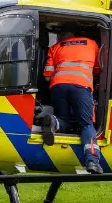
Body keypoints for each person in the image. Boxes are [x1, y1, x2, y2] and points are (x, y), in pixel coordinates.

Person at [43, 26, 103, 174]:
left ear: (60, 37)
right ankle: (92, 161)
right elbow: (97, 69)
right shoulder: (91, 43)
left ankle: (53, 121)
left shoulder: (55, 47)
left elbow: (47, 77)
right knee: (86, 125)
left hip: (58, 86)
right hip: (81, 86)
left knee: (63, 119)